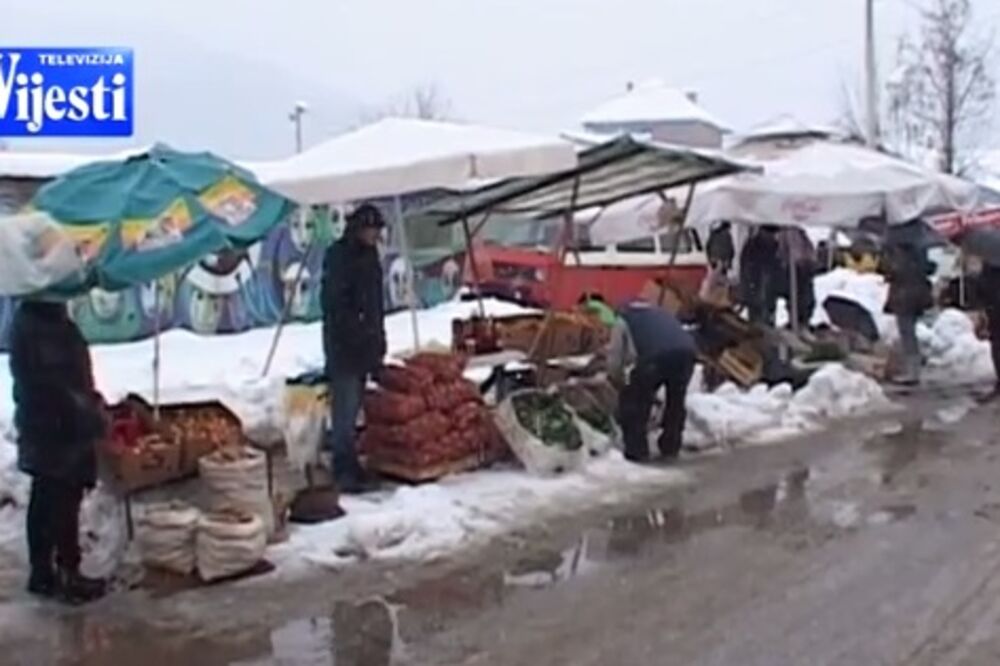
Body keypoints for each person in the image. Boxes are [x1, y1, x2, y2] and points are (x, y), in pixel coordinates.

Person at [9, 299, 108, 604]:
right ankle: (69, 575)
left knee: (44, 497)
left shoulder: (28, 322)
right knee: (64, 500)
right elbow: (62, 387)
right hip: (61, 430)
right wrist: (92, 416)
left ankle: (42, 573)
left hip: (42, 426)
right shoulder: (48, 330)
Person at [321, 204, 387, 493]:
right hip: (343, 346)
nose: (374, 236)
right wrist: (356, 332)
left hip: (365, 344)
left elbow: (375, 302)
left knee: (356, 403)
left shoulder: (371, 257)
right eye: (370, 230)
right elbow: (334, 304)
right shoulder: (338, 256)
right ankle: (342, 467)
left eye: (377, 231)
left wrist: (377, 338)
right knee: (344, 409)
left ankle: (353, 466)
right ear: (358, 229)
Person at [607, 297, 697, 463]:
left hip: (655, 358)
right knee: (676, 400)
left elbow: (615, 356)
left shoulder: (624, 319)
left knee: (635, 402)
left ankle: (637, 451)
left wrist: (617, 380)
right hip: (687, 354)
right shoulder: (661, 312)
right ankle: (671, 444)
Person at [882, 240, 934, 386]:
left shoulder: (899, 254)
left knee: (907, 332)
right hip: (917, 295)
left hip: (904, 297)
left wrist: (889, 271)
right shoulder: (920, 250)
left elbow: (895, 272)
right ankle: (913, 367)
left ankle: (912, 371)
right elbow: (928, 268)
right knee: (909, 332)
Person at [739, 225, 780, 326]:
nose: (772, 236)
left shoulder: (775, 245)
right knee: (756, 317)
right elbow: (746, 268)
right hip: (755, 287)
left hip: (768, 289)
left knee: (768, 315)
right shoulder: (753, 245)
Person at [777, 227, 817, 330]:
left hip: (800, 270)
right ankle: (799, 321)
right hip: (796, 270)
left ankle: (801, 321)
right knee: (799, 298)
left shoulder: (800, 234)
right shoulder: (787, 233)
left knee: (803, 299)